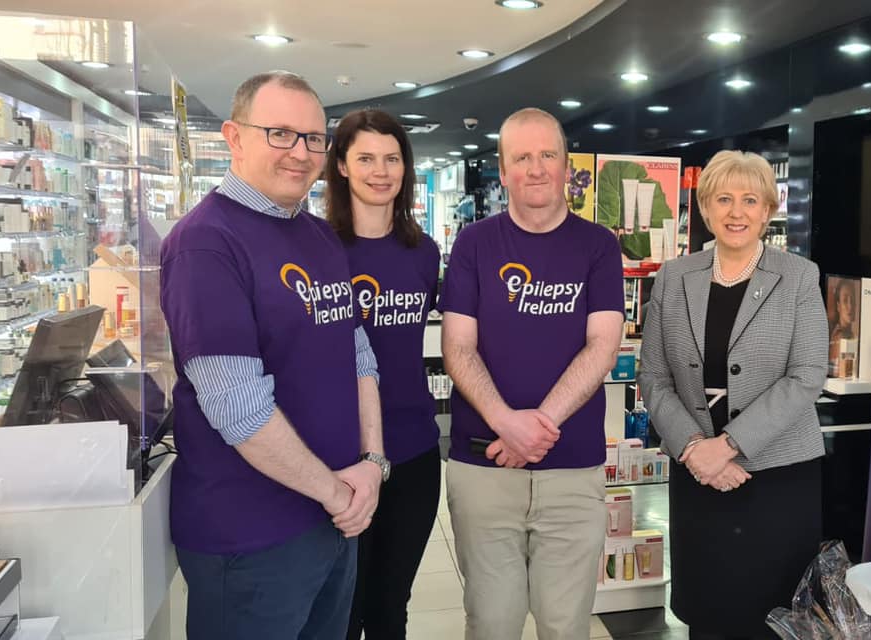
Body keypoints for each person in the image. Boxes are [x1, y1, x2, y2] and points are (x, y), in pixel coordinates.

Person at [160, 71, 388, 639]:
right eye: (280, 134)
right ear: (234, 137)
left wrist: (372, 462)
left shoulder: (319, 236)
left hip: (332, 522)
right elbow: (238, 406)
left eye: (314, 138)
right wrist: (339, 493)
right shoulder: (205, 243)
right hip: (250, 539)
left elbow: (359, 356)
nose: (301, 152)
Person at [439, 107, 623, 639]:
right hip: (484, 468)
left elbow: (602, 346)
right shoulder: (474, 243)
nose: (536, 168)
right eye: (522, 157)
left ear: (567, 166)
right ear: (503, 171)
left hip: (573, 470)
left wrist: (535, 427)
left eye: (548, 155)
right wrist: (506, 423)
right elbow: (457, 348)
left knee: (565, 625)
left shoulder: (598, 245)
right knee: (491, 623)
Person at [638, 150, 830, 639]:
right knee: (708, 613)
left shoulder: (799, 276)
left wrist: (728, 446)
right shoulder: (674, 277)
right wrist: (693, 448)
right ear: (706, 208)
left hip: (777, 477)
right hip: (697, 475)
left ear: (767, 210)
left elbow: (807, 375)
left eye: (750, 200)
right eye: (724, 199)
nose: (736, 212)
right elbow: (654, 376)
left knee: (774, 618)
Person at [324, 109, 441, 640]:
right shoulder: (319, 249)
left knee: (392, 606)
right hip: (339, 457)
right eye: (366, 158)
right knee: (343, 609)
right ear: (342, 166)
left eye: (392, 159)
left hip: (414, 449)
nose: (380, 171)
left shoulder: (424, 253)